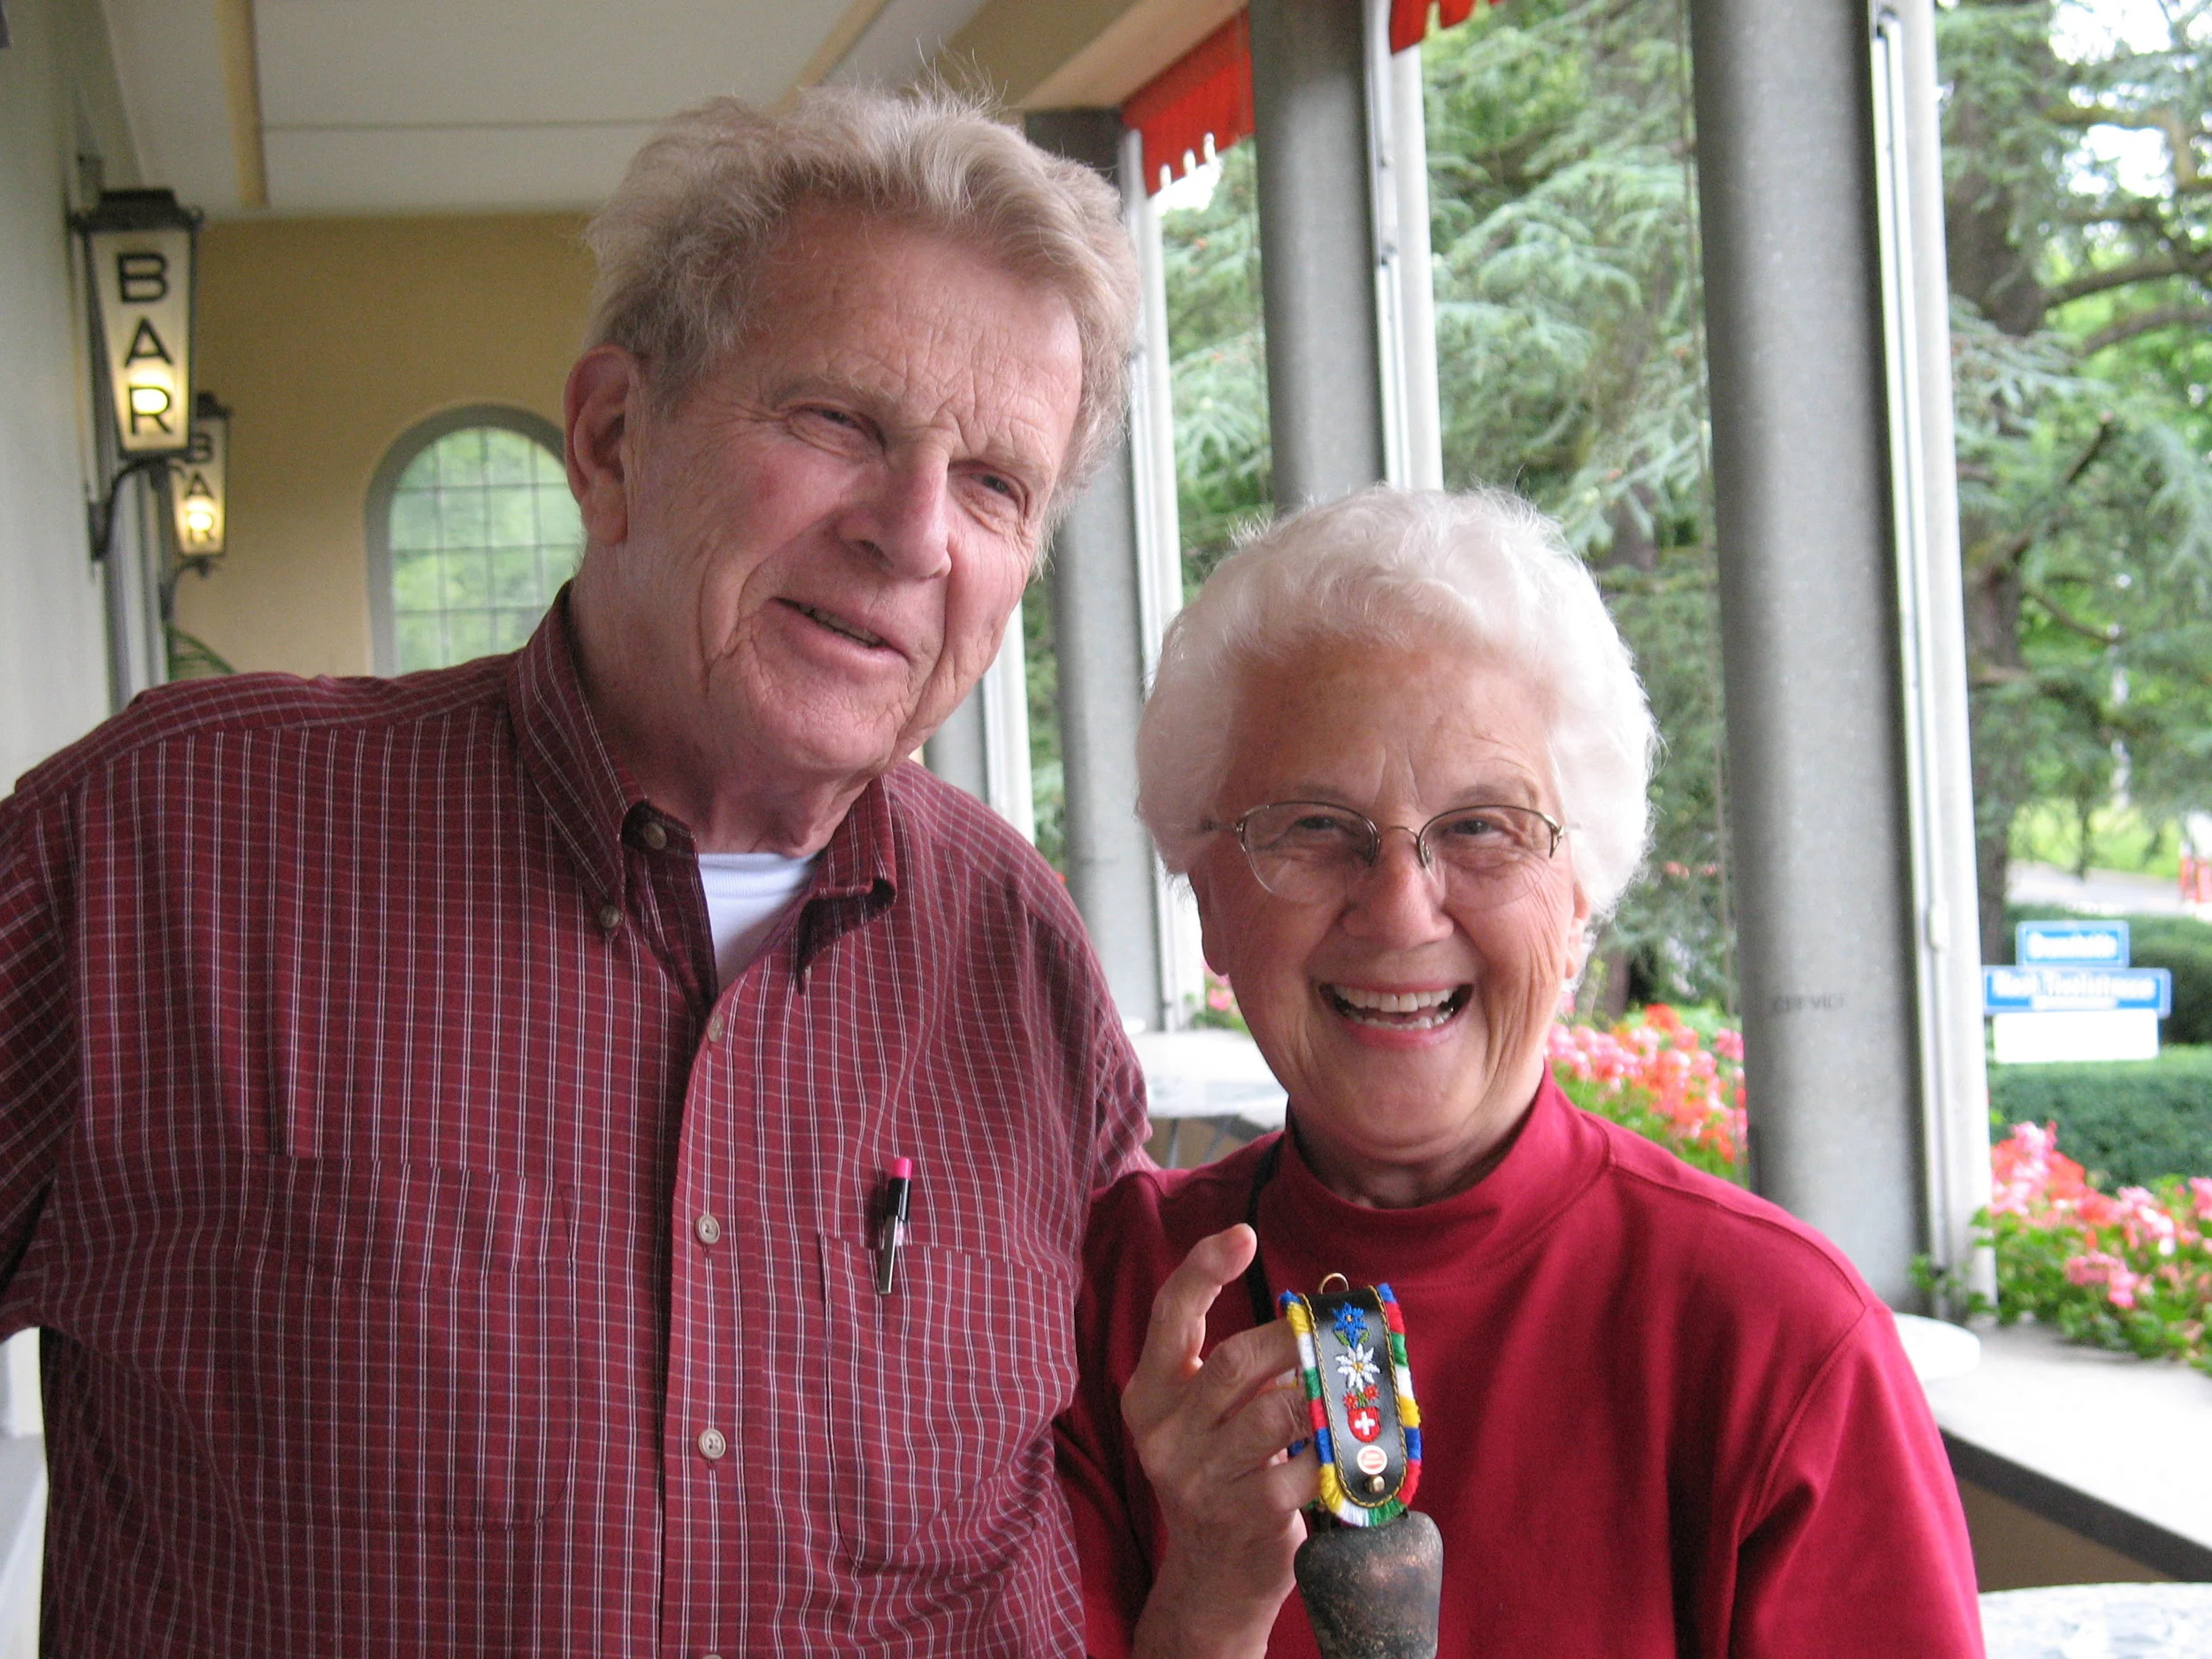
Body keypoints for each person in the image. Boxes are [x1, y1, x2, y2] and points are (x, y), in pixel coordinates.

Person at [0, 89, 1148, 1655]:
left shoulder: (1023, 955)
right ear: (612, 439)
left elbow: (1102, 1510)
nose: (914, 532)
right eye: (838, 422)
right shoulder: (164, 849)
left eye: (996, 484)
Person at [1055, 488, 1985, 1658]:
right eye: (1313, 825)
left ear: (1583, 892)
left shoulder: (1774, 1337)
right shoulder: (1116, 1297)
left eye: (1483, 826)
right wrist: (1211, 1595)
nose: (1400, 907)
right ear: (1210, 907)